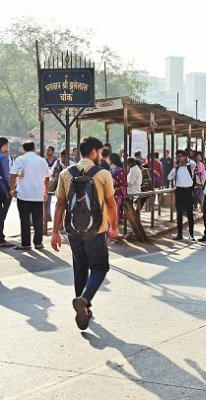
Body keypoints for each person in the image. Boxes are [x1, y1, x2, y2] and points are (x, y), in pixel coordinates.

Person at [51, 137, 118, 331]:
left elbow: (60, 205)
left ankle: (83, 307)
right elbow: (111, 203)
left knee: (80, 268)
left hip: (73, 230)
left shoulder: (66, 173)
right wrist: (113, 226)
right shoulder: (103, 173)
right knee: (99, 268)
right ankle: (85, 300)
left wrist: (55, 232)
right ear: (94, 152)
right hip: (96, 230)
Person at [9, 141, 49, 250]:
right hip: (38, 195)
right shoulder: (42, 161)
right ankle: (38, 243)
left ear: (23, 149)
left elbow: (12, 176)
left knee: (25, 220)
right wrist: (45, 192)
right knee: (38, 219)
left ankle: (26, 244)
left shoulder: (20, 159)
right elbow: (47, 178)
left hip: (23, 195)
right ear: (34, 149)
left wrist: (12, 190)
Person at [167, 150, 196, 241]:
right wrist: (174, 168)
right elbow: (169, 178)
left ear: (185, 156)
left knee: (189, 213)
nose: (179, 158)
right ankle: (179, 234)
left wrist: (185, 162)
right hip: (179, 191)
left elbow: (193, 164)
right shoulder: (177, 167)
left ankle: (191, 234)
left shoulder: (191, 164)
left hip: (188, 191)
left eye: (180, 156)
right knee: (179, 213)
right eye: (177, 157)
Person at [0, 137, 13, 248]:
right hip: (2, 189)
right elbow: (7, 175)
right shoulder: (3, 158)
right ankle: (1, 239)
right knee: (2, 214)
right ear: (3, 146)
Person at [109, 153, 126, 222]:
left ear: (112, 160)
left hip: (117, 192)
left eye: (108, 158)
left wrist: (114, 182)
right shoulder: (110, 169)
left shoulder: (120, 170)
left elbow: (121, 183)